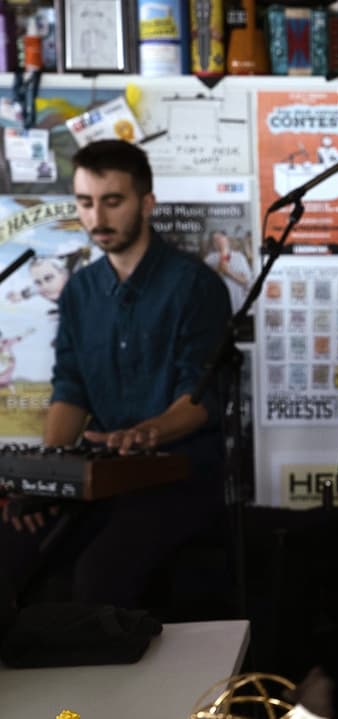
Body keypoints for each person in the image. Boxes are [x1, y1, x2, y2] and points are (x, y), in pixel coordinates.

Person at [0, 139, 231, 609]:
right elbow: (71, 389)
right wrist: (47, 477)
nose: (97, 218)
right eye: (85, 202)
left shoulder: (194, 285)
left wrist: (148, 432)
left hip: (178, 478)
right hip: (101, 477)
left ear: (147, 203)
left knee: (99, 574)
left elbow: (201, 397)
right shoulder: (80, 291)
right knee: (11, 550)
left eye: (112, 201)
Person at [203, 229, 252, 311]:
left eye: (220, 239)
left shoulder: (239, 257)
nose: (218, 242)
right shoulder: (209, 259)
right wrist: (223, 255)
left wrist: (228, 272)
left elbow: (246, 281)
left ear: (227, 239)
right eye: (215, 240)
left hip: (237, 305)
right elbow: (205, 281)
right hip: (217, 307)